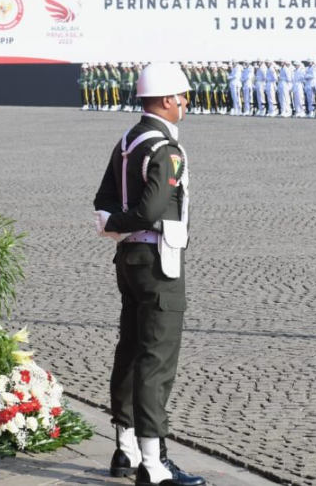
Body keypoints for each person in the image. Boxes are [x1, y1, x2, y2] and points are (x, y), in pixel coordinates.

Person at [93, 63, 204, 486]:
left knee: (130, 351)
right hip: (159, 262)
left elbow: (103, 198)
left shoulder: (128, 140)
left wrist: (111, 224)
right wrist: (122, 223)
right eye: (182, 97)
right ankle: (154, 465)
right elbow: (151, 210)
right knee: (157, 360)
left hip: (128, 261)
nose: (185, 104)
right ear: (165, 99)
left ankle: (123, 448)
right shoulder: (165, 149)